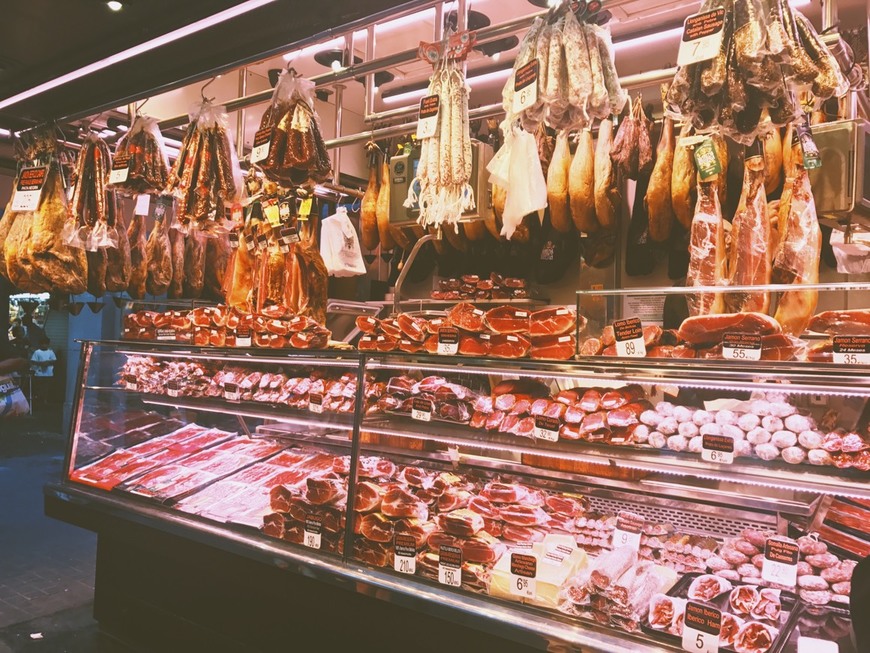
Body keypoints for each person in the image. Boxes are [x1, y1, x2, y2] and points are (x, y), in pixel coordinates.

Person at [30, 337, 56, 405]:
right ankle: (39, 399)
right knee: (39, 387)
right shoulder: (37, 352)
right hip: (39, 373)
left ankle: (45, 399)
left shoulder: (50, 351)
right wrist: (41, 363)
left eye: (46, 344)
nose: (44, 345)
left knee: (46, 387)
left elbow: (54, 360)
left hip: (49, 373)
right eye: (42, 344)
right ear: (40, 344)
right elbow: (33, 361)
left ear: (48, 344)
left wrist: (48, 362)